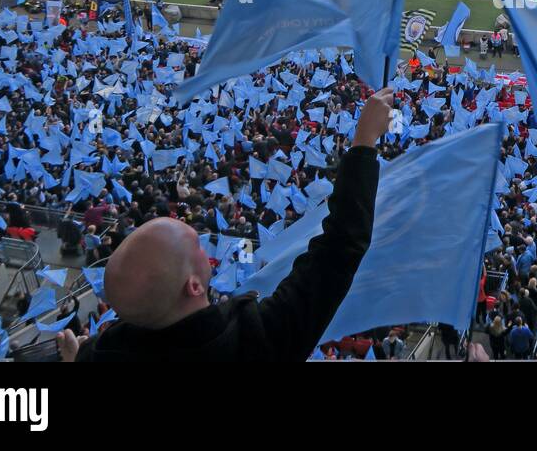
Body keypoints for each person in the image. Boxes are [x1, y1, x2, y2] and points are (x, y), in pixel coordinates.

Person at [70, 88, 392, 361]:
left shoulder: (102, 352)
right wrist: (364, 142)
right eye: (196, 245)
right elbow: (340, 249)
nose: (204, 244)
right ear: (194, 286)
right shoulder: (254, 343)